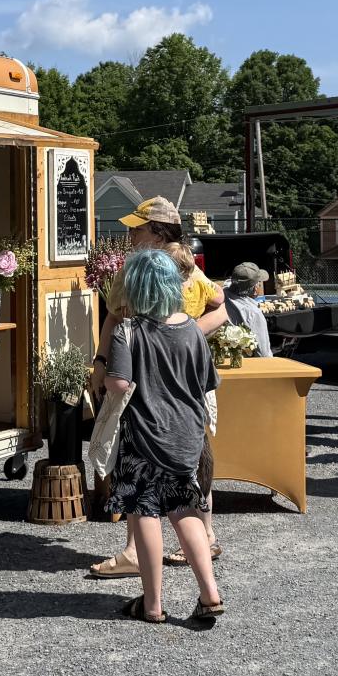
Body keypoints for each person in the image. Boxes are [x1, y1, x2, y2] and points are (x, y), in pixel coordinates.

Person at [87, 197, 228, 579]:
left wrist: (182, 337)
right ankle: (200, 539)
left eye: (138, 227)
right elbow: (114, 318)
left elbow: (221, 306)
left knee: (146, 460)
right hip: (173, 376)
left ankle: (144, 551)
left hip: (148, 378)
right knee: (192, 454)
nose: (131, 233)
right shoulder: (175, 269)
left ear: (159, 232)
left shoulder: (167, 271)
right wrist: (185, 339)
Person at [104, 249, 227, 628]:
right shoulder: (192, 328)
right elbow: (208, 382)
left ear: (136, 288)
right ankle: (210, 594)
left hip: (144, 437)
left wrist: (108, 380)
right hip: (186, 437)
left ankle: (153, 604)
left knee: (145, 511)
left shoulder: (129, 331)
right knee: (185, 509)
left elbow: (120, 383)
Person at [223, 261, 274, 358]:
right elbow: (264, 355)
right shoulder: (253, 314)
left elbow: (229, 283)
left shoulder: (223, 293)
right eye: (258, 283)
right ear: (254, 288)